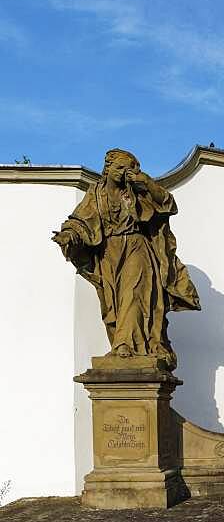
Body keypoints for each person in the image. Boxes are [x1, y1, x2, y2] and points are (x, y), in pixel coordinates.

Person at [52, 148, 200, 369]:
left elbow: (168, 204)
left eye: (127, 169)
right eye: (119, 168)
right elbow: (80, 221)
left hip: (136, 248)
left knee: (133, 293)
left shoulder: (136, 191)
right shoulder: (95, 193)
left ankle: (125, 346)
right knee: (114, 305)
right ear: (108, 168)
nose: (123, 173)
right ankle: (127, 346)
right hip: (108, 255)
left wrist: (145, 182)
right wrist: (69, 236)